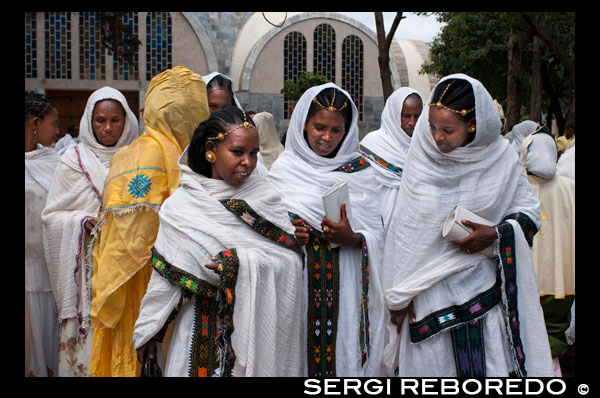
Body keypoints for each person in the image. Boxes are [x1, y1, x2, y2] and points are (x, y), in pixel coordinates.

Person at [382, 74, 554, 377]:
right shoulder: (420, 159)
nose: (437, 136)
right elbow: (404, 233)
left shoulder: (501, 159)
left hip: (483, 296)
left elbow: (528, 213)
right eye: (433, 126)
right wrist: (398, 294)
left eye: (448, 130)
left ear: (474, 125)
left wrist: (496, 235)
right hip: (426, 297)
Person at [133, 106, 305, 376]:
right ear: (211, 148)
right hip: (194, 332)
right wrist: (150, 330)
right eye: (237, 152)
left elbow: (292, 262)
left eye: (253, 153)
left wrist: (238, 265)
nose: (247, 162)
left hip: (256, 332)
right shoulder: (181, 206)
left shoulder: (265, 198)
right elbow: (164, 279)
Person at [88, 66, 210, 377]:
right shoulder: (157, 154)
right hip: (150, 283)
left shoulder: (148, 153)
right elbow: (133, 241)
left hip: (166, 281)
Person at [266, 83, 385, 377]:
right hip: (299, 283)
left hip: (346, 282)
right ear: (304, 123)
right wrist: (288, 232)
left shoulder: (360, 170)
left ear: (347, 131)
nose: (326, 138)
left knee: (343, 359)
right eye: (319, 127)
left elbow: (380, 233)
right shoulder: (285, 169)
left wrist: (355, 238)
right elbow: (265, 225)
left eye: (336, 130)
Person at [41, 87, 140, 376]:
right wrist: (81, 220)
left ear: (127, 121)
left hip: (125, 269)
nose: (107, 128)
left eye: (115, 120)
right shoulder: (72, 159)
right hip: (85, 272)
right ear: (89, 120)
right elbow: (51, 217)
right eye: (100, 120)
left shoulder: (137, 159)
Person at [520, 128, 575, 376]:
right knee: (553, 334)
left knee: (525, 336)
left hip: (524, 280)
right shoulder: (568, 188)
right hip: (562, 279)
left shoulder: (517, 186)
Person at [25, 92, 60, 377]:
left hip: (50, 277)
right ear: (35, 123)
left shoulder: (55, 163)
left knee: (50, 348)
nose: (57, 131)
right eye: (53, 123)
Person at [359, 87, 423, 238]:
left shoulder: (423, 147)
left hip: (412, 228)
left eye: (417, 116)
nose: (412, 122)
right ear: (394, 114)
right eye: (406, 116)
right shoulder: (373, 144)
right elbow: (360, 186)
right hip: (377, 224)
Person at [203, 72, 268, 177]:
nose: (219, 114)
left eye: (225, 108)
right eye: (212, 106)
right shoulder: (187, 152)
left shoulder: (256, 168)